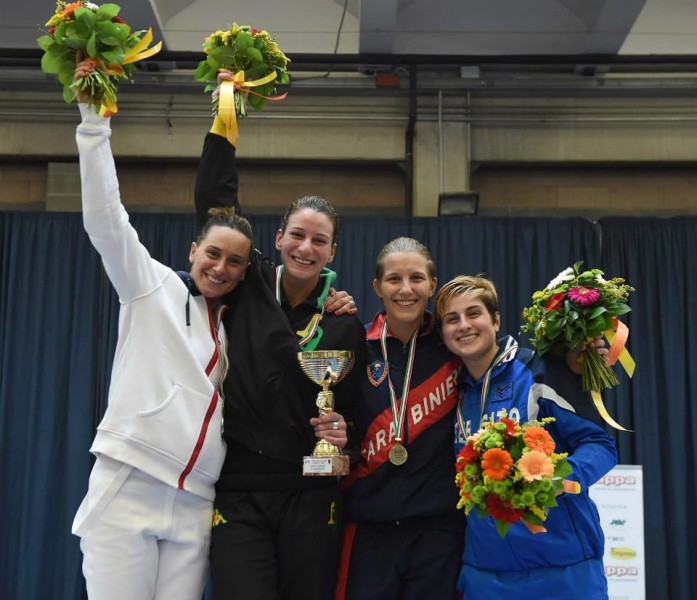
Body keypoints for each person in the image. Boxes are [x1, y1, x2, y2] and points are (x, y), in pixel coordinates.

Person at [70, 62, 254, 600]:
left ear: (248, 270)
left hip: (197, 501)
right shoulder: (149, 285)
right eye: (213, 254)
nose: (220, 268)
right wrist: (92, 123)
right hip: (130, 481)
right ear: (193, 249)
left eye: (236, 262)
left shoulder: (236, 324)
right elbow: (105, 218)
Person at [195, 101, 367, 600]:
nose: (306, 248)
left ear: (332, 252)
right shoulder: (247, 284)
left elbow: (354, 412)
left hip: (311, 494)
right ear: (279, 237)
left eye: (320, 240)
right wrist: (226, 113)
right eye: (297, 234)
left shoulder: (343, 322)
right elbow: (215, 201)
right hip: (240, 488)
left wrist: (344, 434)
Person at [434, 275, 617, 600]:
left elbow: (600, 446)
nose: (463, 325)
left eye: (473, 313)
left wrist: (563, 479)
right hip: (485, 573)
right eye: (452, 319)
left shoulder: (540, 371)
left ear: (496, 319)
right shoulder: (449, 392)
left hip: (562, 568)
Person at [336, 237, 464, 600]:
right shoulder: (355, 346)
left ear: (432, 285)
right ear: (377, 286)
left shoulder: (454, 344)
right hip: (368, 527)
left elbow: (509, 362)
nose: (405, 289)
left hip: (438, 530)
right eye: (394, 279)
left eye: (416, 278)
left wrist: (575, 358)